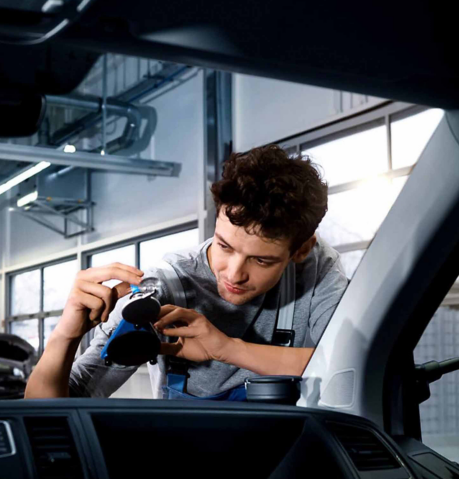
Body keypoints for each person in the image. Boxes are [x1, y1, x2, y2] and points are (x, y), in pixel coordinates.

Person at [25, 144, 349, 399]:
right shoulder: (163, 288)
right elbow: (53, 408)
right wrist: (64, 336)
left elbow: (350, 365)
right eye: (224, 246)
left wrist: (227, 349)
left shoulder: (318, 268)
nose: (234, 274)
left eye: (261, 261)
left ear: (301, 249)